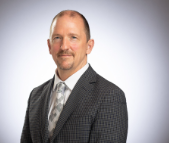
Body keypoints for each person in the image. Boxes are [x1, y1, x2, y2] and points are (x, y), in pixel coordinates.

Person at [21, 10, 128, 143]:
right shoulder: (36, 95)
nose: (64, 46)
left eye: (73, 37)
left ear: (89, 46)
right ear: (49, 46)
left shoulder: (110, 96)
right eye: (57, 38)